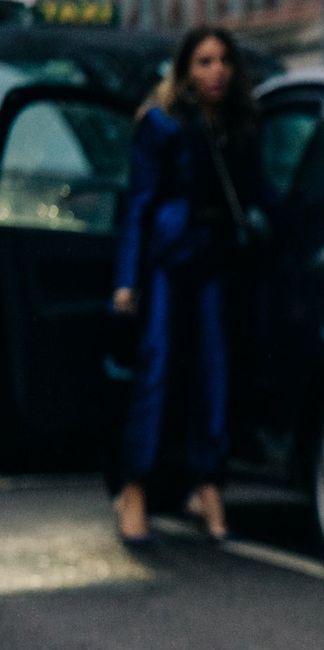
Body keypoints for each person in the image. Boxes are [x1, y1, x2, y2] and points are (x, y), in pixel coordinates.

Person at [112, 26, 263, 544]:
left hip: (214, 258)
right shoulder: (162, 122)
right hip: (166, 260)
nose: (215, 70)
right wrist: (127, 279)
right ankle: (134, 488)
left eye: (222, 60)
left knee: (214, 373)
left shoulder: (238, 121)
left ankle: (208, 483)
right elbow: (139, 203)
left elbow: (256, 190)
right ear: (185, 69)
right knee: (155, 369)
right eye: (203, 61)